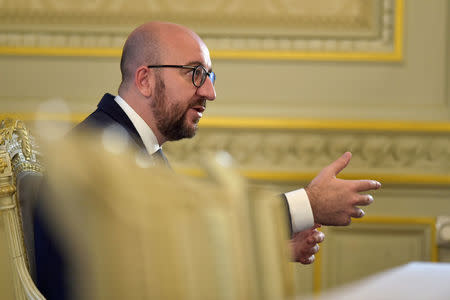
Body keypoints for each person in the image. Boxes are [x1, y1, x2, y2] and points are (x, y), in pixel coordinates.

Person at [35, 21, 380, 299]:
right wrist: (309, 204)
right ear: (144, 79)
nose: (209, 92)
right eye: (194, 74)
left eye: (209, 76)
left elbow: (164, 254)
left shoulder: (127, 140)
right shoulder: (99, 149)